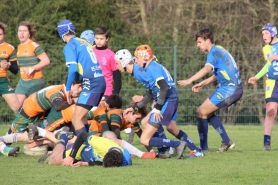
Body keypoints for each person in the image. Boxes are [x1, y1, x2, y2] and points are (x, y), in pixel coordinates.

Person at [115, 47, 203, 159]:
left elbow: (164, 88)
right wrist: (136, 108)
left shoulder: (147, 70)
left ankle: (174, 146)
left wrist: (157, 107)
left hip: (168, 100)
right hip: (168, 99)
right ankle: (180, 149)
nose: (135, 60)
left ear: (144, 58)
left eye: (137, 57)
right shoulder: (147, 68)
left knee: (144, 139)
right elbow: (152, 92)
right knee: (168, 127)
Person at [177, 28, 243, 152]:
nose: (198, 45)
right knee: (206, 112)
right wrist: (203, 83)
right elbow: (219, 73)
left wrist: (190, 80)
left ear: (207, 40)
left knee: (201, 112)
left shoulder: (213, 53)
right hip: (231, 88)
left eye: (199, 42)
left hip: (230, 89)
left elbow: (207, 69)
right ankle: (226, 141)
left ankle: (203, 148)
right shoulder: (219, 49)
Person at [0, 78, 82, 156]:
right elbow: (57, 106)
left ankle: (4, 148)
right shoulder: (58, 92)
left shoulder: (61, 90)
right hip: (27, 113)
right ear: (70, 85)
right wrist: (73, 101)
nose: (80, 89)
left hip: (37, 113)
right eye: (79, 86)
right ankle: (4, 148)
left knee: (29, 135)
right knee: (14, 135)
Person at [57, 20, 106, 136]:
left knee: (76, 119)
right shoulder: (83, 42)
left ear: (62, 35)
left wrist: (68, 88)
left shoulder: (69, 46)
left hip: (92, 83)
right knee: (81, 117)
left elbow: (73, 69)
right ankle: (87, 144)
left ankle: (87, 147)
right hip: (99, 80)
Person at [248, 23, 278, 151]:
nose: (263, 36)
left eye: (266, 33)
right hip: (272, 83)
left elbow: (274, 58)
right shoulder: (266, 48)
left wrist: (276, 57)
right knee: (270, 111)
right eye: (262, 34)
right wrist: (257, 76)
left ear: (273, 34)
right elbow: (268, 65)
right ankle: (267, 143)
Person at [39, 131, 132, 167]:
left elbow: (102, 163)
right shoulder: (102, 144)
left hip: (85, 158)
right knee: (52, 161)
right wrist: (71, 157)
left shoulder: (125, 160)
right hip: (81, 150)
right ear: (106, 153)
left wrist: (84, 163)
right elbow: (82, 135)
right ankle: (63, 136)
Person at [15, 21, 50, 105]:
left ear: (29, 34)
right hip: (22, 82)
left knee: (33, 109)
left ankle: (44, 117)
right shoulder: (19, 47)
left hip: (35, 81)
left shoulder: (34, 46)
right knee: (17, 106)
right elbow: (20, 63)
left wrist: (32, 68)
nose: (22, 33)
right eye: (20, 31)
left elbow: (46, 61)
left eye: (24, 31)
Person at [93, 26, 122, 97]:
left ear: (107, 39)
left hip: (106, 92)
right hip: (91, 90)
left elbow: (117, 77)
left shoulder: (111, 55)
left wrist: (115, 94)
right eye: (97, 38)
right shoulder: (90, 51)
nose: (99, 41)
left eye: (101, 39)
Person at [0, 22, 20, 113]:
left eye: (0, 34)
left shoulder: (10, 48)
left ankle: (25, 127)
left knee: (17, 108)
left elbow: (15, 69)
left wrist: (8, 66)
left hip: (3, 81)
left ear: (4, 35)